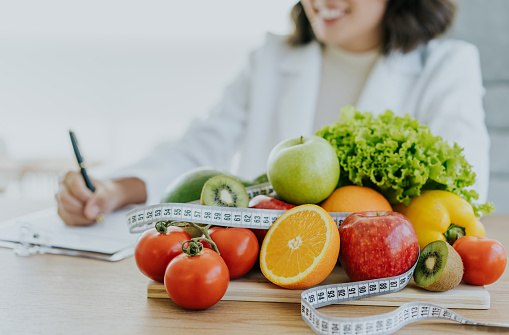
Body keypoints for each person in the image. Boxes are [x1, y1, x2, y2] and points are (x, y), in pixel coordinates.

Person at [56, 0, 490, 226]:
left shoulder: (448, 65)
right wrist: (113, 190)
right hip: (266, 272)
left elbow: (463, 184)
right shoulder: (270, 58)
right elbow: (199, 149)